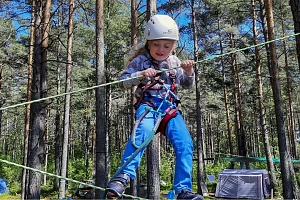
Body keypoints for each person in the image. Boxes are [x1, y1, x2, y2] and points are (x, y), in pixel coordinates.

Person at [106, 14, 204, 200]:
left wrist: (189, 71)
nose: (161, 49)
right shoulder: (140, 61)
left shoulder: (174, 62)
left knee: (185, 143)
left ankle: (182, 190)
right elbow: (123, 82)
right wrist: (141, 74)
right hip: (149, 107)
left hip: (169, 109)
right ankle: (123, 177)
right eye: (156, 44)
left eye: (166, 46)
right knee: (140, 136)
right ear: (149, 43)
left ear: (173, 46)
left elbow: (186, 84)